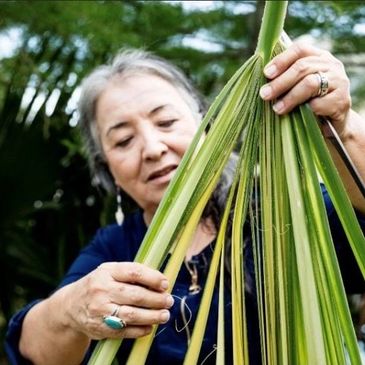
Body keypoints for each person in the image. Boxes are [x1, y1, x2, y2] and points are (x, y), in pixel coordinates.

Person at [5, 43, 365, 365]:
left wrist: (344, 127)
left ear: (207, 125)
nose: (152, 148)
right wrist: (72, 309)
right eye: (123, 140)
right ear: (109, 171)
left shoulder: (281, 213)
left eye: (166, 121)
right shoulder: (116, 249)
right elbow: (33, 352)